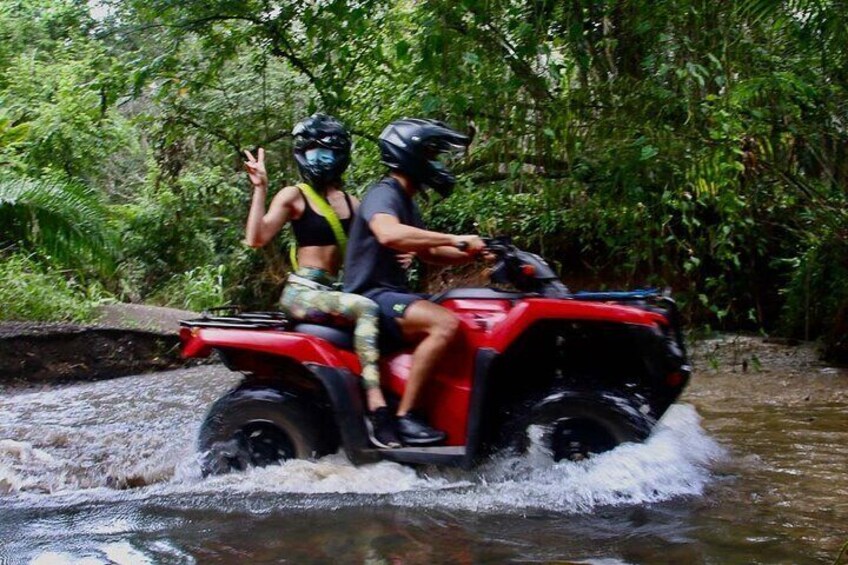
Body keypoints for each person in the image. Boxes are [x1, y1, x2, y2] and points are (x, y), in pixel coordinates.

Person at [243, 113, 401, 449]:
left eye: (326, 149)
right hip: (302, 293)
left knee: (389, 316)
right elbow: (257, 238)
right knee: (367, 309)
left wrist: (402, 255)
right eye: (311, 149)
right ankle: (378, 408)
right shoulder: (293, 196)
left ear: (341, 154)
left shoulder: (352, 204)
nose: (318, 156)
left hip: (334, 292)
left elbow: (375, 247)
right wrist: (260, 188)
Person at [343, 118, 486, 446]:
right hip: (370, 297)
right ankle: (406, 417)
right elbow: (388, 233)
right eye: (432, 154)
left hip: (391, 295)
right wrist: (456, 237)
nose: (437, 163)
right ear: (411, 155)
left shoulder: (407, 201)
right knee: (444, 324)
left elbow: (433, 253)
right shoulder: (384, 192)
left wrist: (475, 252)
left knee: (461, 313)